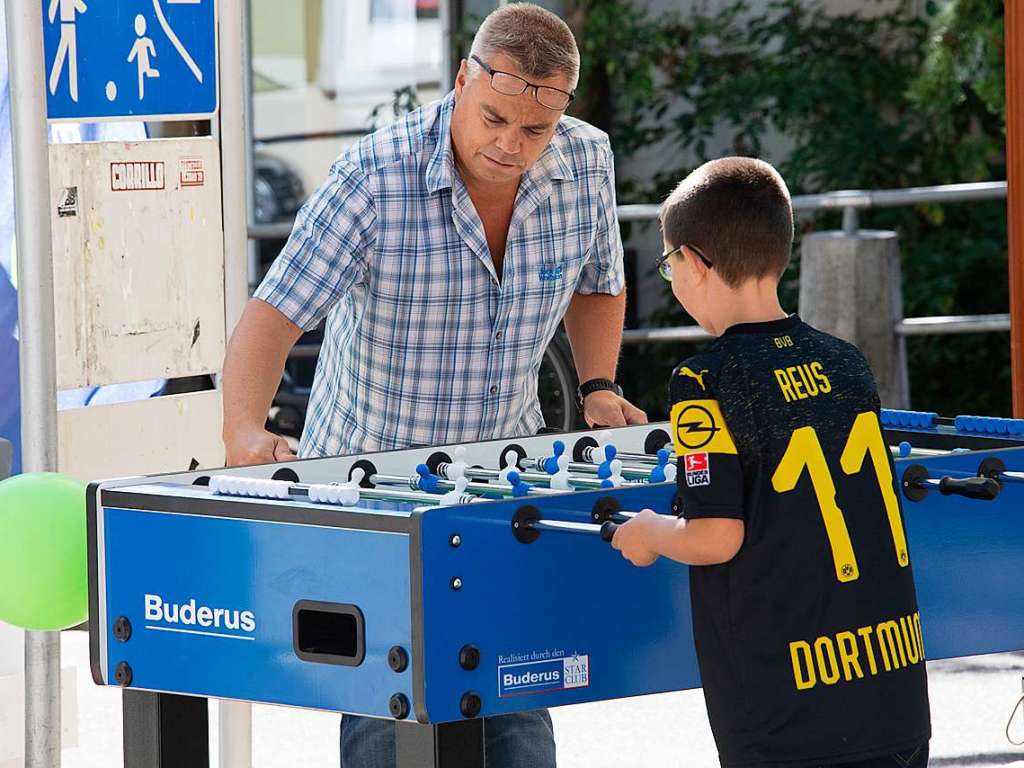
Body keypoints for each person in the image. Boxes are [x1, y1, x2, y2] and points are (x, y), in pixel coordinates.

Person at [222, 3, 647, 765]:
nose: (510, 145)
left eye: (534, 131)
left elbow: (599, 283)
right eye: (493, 119)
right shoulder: (374, 174)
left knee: (517, 703)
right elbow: (274, 313)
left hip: (501, 481)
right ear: (460, 81)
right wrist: (244, 431)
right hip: (373, 491)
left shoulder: (587, 162)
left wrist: (598, 385)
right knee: (392, 722)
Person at [611, 157, 930, 768]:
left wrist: (651, 531)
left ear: (697, 265)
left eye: (669, 263)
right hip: (893, 693)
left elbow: (715, 536)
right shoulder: (846, 361)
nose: (672, 278)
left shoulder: (703, 381)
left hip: (786, 712)